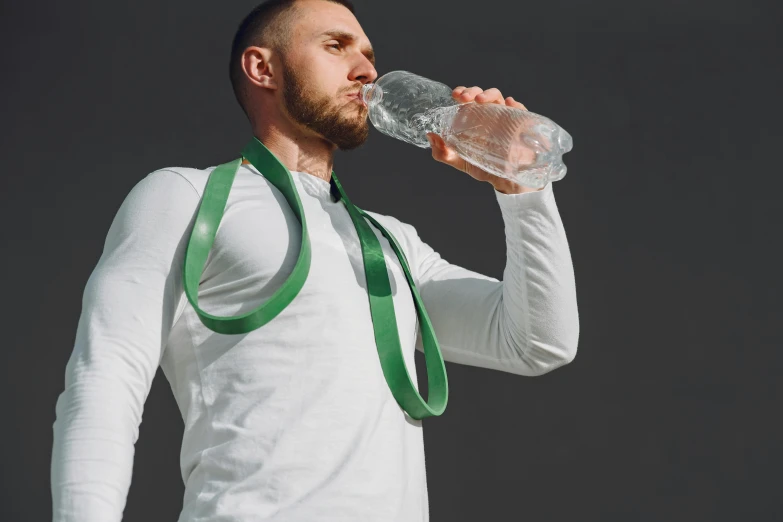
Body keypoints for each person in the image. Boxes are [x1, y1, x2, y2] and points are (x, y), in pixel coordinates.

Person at [50, 0, 580, 520]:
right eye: (336, 45)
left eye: (369, 53)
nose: (367, 69)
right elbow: (105, 376)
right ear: (263, 68)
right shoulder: (184, 196)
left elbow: (537, 342)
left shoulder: (390, 243)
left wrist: (522, 187)